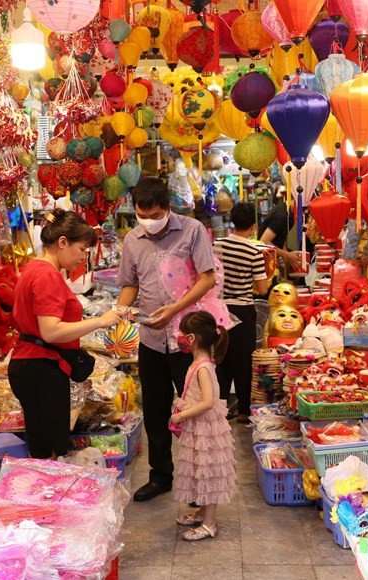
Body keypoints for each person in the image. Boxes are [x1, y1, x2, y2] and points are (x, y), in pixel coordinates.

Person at [116, 178, 216, 502]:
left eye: (155, 215)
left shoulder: (192, 230)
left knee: (195, 412)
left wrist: (175, 308)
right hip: (151, 339)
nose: (149, 221)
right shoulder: (132, 240)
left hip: (188, 340)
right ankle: (160, 476)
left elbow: (207, 278)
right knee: (155, 412)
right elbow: (130, 285)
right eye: (142, 216)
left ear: (168, 208)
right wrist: (117, 313)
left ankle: (200, 482)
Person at [9, 209, 122, 459]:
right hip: (41, 368)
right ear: (62, 242)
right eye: (81, 249)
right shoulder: (46, 274)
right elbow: (51, 331)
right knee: (50, 454)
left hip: (34, 365)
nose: (83, 257)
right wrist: (99, 322)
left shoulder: (35, 268)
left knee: (44, 446)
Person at [170, 311, 236, 541]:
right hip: (199, 427)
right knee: (200, 471)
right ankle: (202, 513)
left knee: (208, 474)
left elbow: (207, 402)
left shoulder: (203, 368)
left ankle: (210, 523)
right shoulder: (199, 364)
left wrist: (182, 415)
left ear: (191, 338)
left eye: (182, 334)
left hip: (205, 428)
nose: (178, 338)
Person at [213, 203, 270, 423]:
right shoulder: (254, 252)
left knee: (221, 358)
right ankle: (244, 411)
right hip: (243, 310)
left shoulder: (216, 245)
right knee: (243, 361)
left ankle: (220, 409)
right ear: (253, 227)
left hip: (218, 309)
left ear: (232, 222)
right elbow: (262, 289)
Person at [259, 190, 304, 270]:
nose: (305, 211)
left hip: (271, 259)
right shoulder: (282, 215)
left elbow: (280, 238)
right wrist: (287, 255)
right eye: (304, 208)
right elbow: (264, 241)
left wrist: (287, 256)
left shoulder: (289, 213)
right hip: (263, 261)